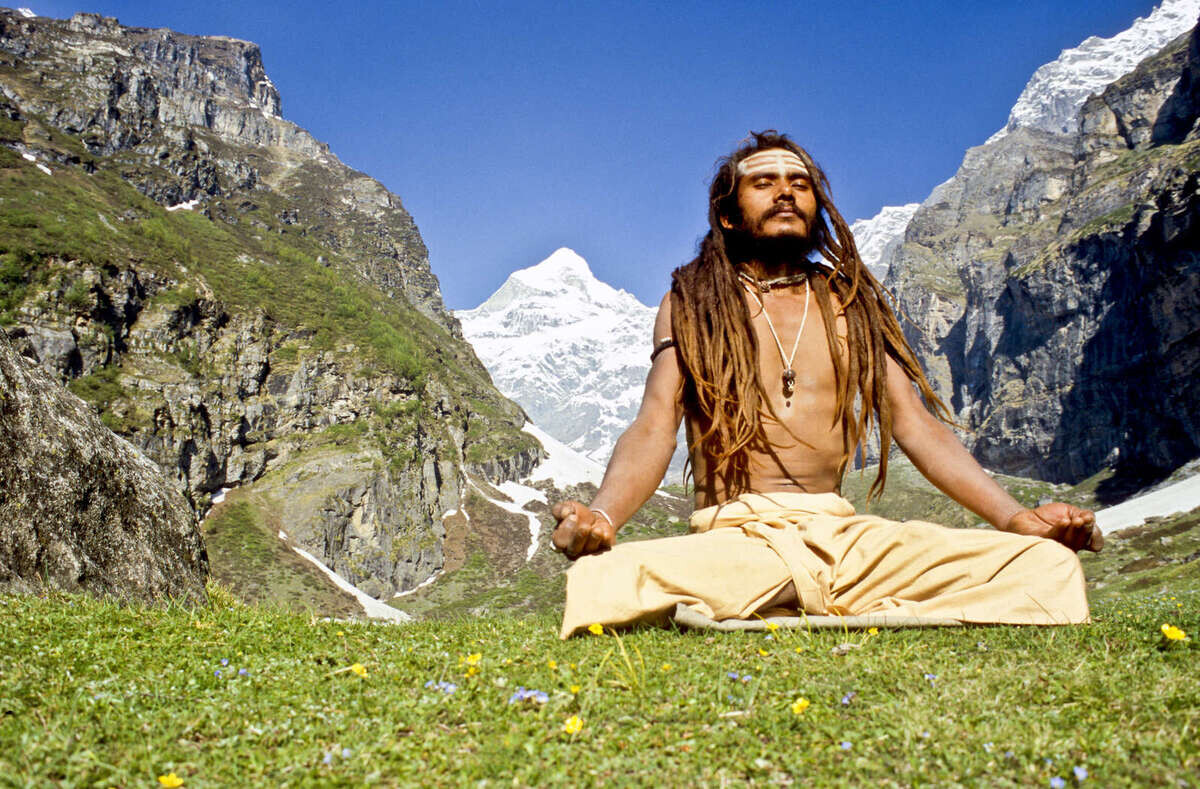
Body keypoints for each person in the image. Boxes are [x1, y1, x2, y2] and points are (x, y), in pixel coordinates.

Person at [550, 131, 1103, 639]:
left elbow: (914, 425)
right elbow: (653, 426)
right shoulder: (692, 300)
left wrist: (1015, 520)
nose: (786, 193)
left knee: (1047, 565)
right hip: (734, 538)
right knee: (608, 577)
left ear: (817, 205)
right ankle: (842, 610)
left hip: (842, 537)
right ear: (727, 215)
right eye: (763, 183)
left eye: (800, 183)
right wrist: (603, 516)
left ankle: (773, 610)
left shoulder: (850, 302)